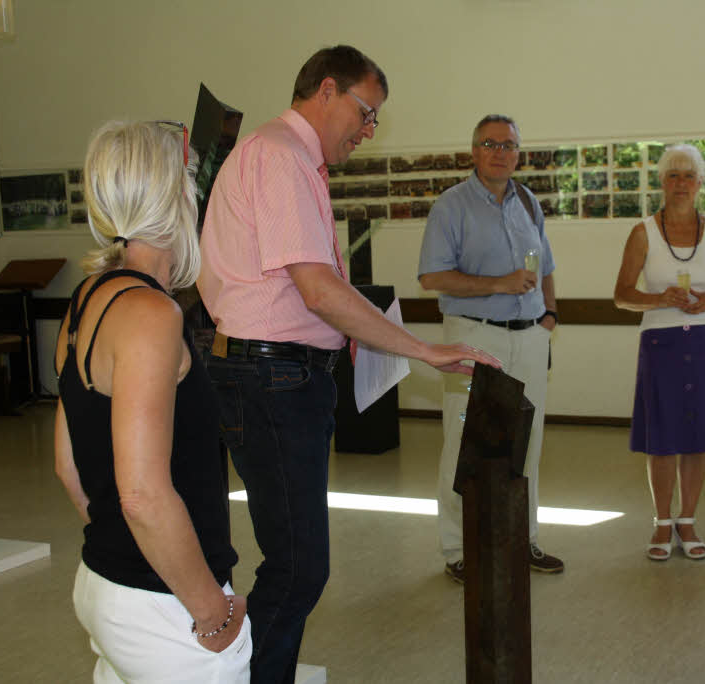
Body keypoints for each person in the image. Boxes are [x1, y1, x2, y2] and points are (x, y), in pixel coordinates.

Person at [197, 46, 500, 683]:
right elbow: (317, 289)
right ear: (326, 90)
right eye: (364, 114)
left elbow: (311, 288)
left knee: (294, 560)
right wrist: (422, 349)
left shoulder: (291, 159)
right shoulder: (280, 155)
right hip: (273, 376)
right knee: (299, 565)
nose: (366, 131)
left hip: (277, 372)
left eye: (374, 122)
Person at [54, 120, 251, 683]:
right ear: (173, 198)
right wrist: (213, 612)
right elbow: (141, 495)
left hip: (107, 584)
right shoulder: (150, 315)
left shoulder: (87, 298)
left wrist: (120, 551)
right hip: (166, 607)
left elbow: (69, 468)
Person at [418, 114, 564, 583]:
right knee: (465, 443)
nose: (500, 152)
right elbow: (432, 277)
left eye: (509, 145)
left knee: (529, 441)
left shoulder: (527, 201)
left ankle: (525, 539)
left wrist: (550, 316)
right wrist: (497, 284)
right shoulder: (451, 206)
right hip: (475, 334)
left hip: (529, 333)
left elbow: (545, 267)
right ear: (474, 151)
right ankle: (459, 548)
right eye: (490, 144)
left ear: (519, 153)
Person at [613, 143, 705, 561]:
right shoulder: (642, 232)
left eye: (689, 176)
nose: (681, 184)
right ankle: (661, 522)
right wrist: (660, 299)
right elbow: (621, 296)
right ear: (662, 182)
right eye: (673, 175)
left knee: (698, 437)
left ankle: (687, 519)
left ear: (701, 183)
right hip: (661, 342)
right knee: (663, 438)